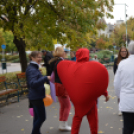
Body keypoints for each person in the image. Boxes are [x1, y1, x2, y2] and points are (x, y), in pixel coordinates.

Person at [26, 51, 51, 134]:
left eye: (40, 57)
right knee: (42, 117)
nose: (40, 59)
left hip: (36, 96)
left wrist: (41, 76)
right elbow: (33, 84)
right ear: (32, 58)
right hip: (36, 97)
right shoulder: (32, 69)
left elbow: (34, 80)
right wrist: (45, 78)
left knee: (37, 117)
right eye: (38, 57)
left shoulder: (33, 67)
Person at [114, 41, 134, 134]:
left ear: (129, 51)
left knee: (127, 128)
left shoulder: (122, 64)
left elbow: (117, 84)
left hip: (127, 101)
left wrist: (120, 96)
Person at [49, 47, 71, 131]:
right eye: (64, 51)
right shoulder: (61, 62)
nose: (65, 53)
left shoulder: (54, 62)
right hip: (62, 86)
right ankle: (64, 125)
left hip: (57, 85)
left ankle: (62, 124)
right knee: (67, 106)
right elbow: (65, 75)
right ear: (61, 53)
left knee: (62, 106)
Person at [113, 46, 129, 116]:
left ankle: (127, 108)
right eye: (122, 51)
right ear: (120, 52)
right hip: (120, 80)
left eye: (125, 51)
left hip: (128, 80)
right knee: (120, 95)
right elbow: (114, 70)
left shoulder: (129, 59)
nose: (124, 53)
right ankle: (120, 109)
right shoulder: (117, 60)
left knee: (127, 95)